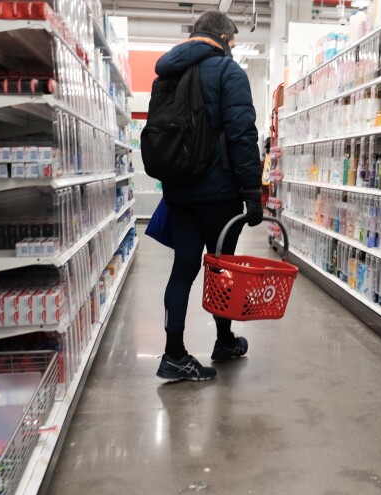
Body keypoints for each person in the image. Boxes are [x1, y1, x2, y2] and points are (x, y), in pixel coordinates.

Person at [153, 10, 263, 382]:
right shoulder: (229, 72)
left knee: (184, 267)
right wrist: (252, 191)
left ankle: (174, 354)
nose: (233, 49)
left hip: (178, 190)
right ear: (222, 37)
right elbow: (242, 134)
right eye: (233, 42)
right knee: (222, 268)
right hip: (219, 193)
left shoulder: (166, 74)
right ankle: (224, 340)